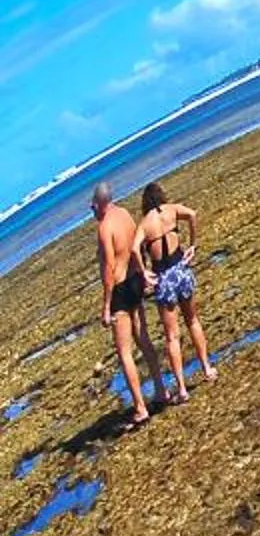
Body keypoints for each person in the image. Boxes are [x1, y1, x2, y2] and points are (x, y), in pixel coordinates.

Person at [137, 182, 214, 398]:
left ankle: (181, 389)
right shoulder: (171, 210)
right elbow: (192, 214)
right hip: (181, 269)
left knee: (172, 336)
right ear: (161, 196)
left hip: (163, 277)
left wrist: (143, 272)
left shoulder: (144, 224)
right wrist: (193, 245)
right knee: (193, 321)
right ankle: (207, 368)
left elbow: (135, 248)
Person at [91, 183, 151, 426]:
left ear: (99, 204)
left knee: (125, 352)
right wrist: (143, 273)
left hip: (120, 290)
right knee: (143, 338)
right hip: (135, 280)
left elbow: (109, 269)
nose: (91, 210)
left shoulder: (104, 227)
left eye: (92, 206)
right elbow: (138, 245)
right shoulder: (125, 214)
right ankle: (160, 389)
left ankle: (140, 407)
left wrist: (106, 306)